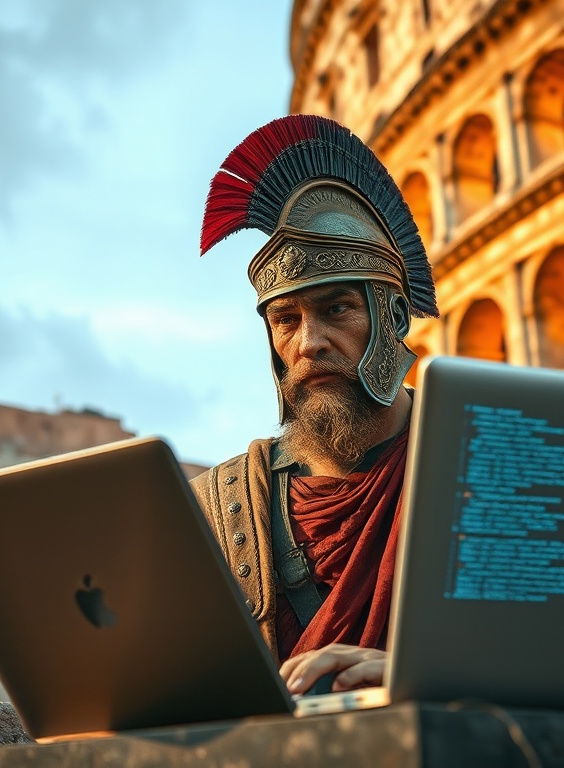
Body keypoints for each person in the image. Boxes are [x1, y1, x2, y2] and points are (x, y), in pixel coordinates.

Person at [191, 114, 438, 697]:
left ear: (393, 319)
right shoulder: (221, 507)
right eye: (286, 320)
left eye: (337, 309)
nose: (309, 343)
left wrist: (423, 674)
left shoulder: (478, 460)